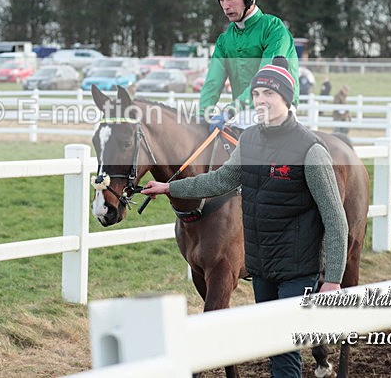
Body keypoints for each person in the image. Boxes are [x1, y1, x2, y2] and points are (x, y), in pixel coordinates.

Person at [141, 56, 348, 378]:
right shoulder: (249, 140)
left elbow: (335, 218)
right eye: (257, 94)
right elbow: (221, 180)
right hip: (262, 266)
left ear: (287, 99)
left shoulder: (311, 150)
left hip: (299, 266)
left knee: (282, 348)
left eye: (270, 94)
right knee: (270, 344)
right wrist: (170, 187)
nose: (262, 100)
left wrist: (333, 278)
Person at [199, 0, 300, 129]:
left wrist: (230, 110)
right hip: (241, 113)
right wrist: (201, 115)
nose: (225, 6)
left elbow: (265, 79)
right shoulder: (224, 40)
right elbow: (212, 83)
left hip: (276, 109)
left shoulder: (274, 29)